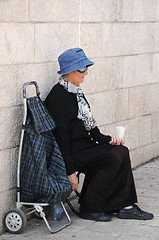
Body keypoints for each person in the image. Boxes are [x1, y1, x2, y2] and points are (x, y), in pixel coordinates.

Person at [44, 48, 154, 222]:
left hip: (85, 146)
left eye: (86, 68)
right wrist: (70, 170)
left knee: (121, 150)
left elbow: (91, 128)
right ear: (69, 70)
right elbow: (60, 138)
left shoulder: (75, 92)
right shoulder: (58, 97)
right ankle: (90, 207)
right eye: (82, 69)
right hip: (72, 153)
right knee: (113, 157)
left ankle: (125, 205)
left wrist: (108, 139)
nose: (86, 73)